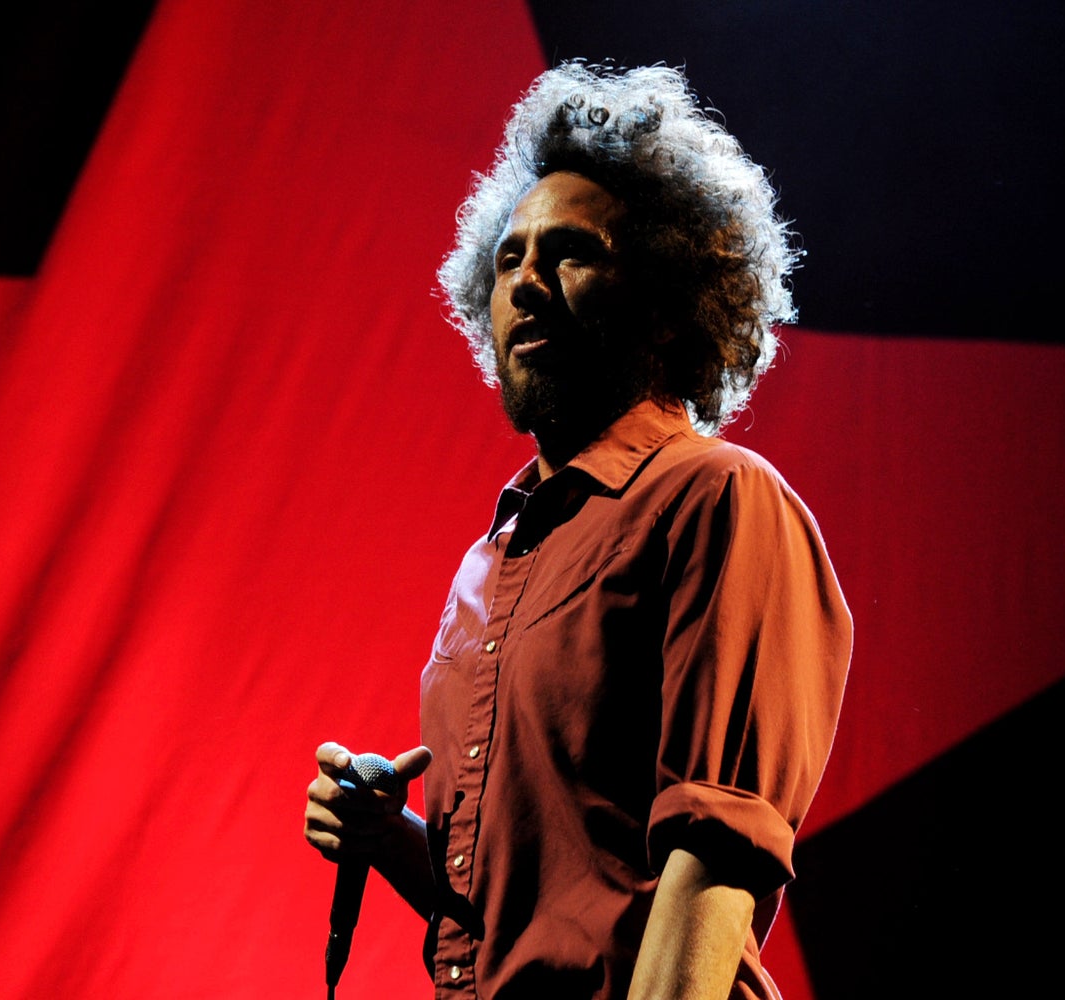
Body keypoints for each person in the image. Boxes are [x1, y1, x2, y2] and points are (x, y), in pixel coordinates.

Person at [303, 63, 852, 1000]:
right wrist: (388, 840)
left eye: (570, 252)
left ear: (667, 298)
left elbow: (713, 858)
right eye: (509, 258)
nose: (526, 283)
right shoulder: (494, 557)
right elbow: (546, 902)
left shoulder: (717, 498)